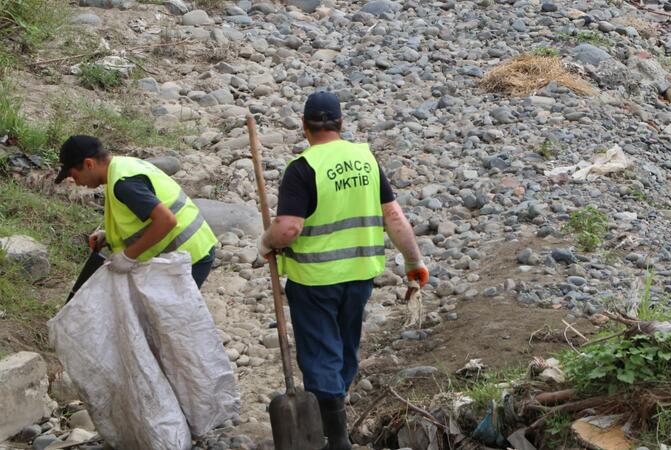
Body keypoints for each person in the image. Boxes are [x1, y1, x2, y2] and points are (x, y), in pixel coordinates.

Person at [258, 91, 429, 450]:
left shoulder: (303, 168)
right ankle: (333, 407)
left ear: (304, 127)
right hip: (359, 275)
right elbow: (394, 217)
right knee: (345, 347)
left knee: (321, 353)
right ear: (341, 124)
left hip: (315, 280)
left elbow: (288, 229)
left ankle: (336, 439)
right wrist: (414, 263)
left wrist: (266, 242)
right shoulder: (365, 159)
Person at [54, 135, 218, 288]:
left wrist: (128, 256)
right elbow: (140, 217)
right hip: (187, 252)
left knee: (164, 317)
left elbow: (166, 220)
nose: (74, 181)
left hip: (190, 257)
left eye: (73, 175)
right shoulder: (121, 167)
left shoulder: (124, 184)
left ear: (89, 164)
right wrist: (109, 237)